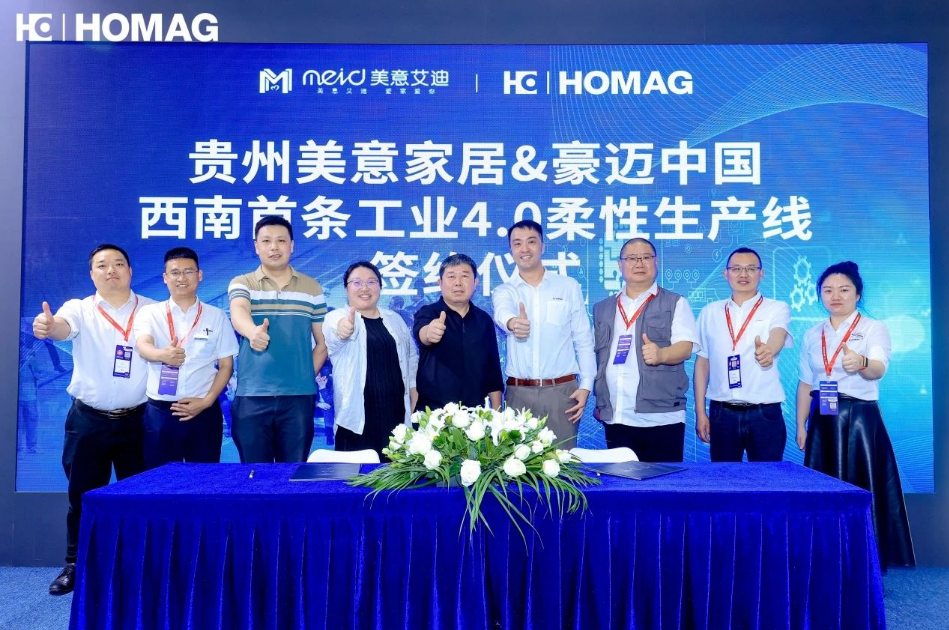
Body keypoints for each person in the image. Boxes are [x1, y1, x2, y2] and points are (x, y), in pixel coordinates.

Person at [31, 244, 155, 595]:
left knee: (139, 496)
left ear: (130, 271)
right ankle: (76, 563)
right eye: (102, 265)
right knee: (82, 497)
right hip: (88, 420)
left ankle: (139, 565)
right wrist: (49, 326)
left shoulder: (152, 310)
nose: (111, 270)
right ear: (92, 274)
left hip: (138, 420)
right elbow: (62, 328)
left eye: (118, 263)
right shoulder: (80, 308)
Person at [796, 261, 915, 568]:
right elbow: (806, 383)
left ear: (858, 294)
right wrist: (801, 424)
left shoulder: (873, 328)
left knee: (863, 489)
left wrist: (861, 362)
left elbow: (878, 369)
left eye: (844, 290)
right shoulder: (812, 333)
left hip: (860, 420)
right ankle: (825, 561)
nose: (835, 296)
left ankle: (866, 563)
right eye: (828, 290)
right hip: (822, 417)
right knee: (823, 490)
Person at [227, 216, 328, 463]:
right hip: (252, 396)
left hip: (298, 399)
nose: (274, 247)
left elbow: (322, 343)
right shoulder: (243, 282)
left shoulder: (311, 288)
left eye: (281, 241)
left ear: (291, 245)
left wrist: (305, 376)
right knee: (254, 476)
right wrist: (252, 332)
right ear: (256, 246)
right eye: (266, 241)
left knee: (292, 474)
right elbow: (238, 312)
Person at [592, 238, 698, 462]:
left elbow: (685, 347)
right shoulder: (602, 308)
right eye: (632, 258)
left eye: (646, 257)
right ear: (620, 265)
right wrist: (600, 400)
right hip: (616, 415)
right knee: (621, 482)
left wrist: (661, 355)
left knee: (663, 482)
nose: (639, 263)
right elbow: (600, 358)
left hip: (661, 416)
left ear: (656, 262)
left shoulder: (675, 302)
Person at [491, 220, 595, 449]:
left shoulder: (568, 286)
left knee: (563, 463)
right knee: (516, 465)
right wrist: (513, 323)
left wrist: (586, 385)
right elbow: (502, 313)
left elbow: (583, 339)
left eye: (531, 242)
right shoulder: (504, 290)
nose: (524, 249)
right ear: (511, 250)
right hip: (518, 394)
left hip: (562, 393)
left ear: (542, 246)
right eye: (517, 244)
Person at [134, 247, 238, 468]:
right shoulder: (150, 313)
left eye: (188, 271)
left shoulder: (216, 316)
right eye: (175, 272)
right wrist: (162, 355)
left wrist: (207, 401)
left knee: (203, 480)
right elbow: (143, 346)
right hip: (160, 413)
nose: (181, 278)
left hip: (203, 412)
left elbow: (226, 365)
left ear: (199, 275)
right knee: (160, 481)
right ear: (165, 278)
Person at [693, 247, 792, 461]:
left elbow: (778, 334)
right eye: (736, 269)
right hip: (722, 414)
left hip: (764, 413)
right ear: (725, 274)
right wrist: (700, 412)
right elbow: (702, 363)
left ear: (761, 273)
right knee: (724, 478)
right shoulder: (710, 312)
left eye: (751, 269)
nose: (743, 274)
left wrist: (769, 350)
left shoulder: (777, 308)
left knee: (767, 478)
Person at [323, 261, 418, 456]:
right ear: (346, 289)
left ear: (380, 287)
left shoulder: (395, 319)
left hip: (396, 420)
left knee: (396, 473)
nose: (364, 288)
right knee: (355, 475)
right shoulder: (336, 316)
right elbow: (337, 332)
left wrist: (414, 396)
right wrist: (344, 328)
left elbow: (411, 360)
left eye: (371, 282)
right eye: (357, 282)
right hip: (355, 423)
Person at [414, 254, 503, 411]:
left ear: (475, 282)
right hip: (433, 414)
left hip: (476, 415)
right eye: (451, 276)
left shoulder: (484, 320)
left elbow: (492, 371)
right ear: (440, 283)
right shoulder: (428, 313)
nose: (458, 282)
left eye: (464, 276)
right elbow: (423, 334)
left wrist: (497, 414)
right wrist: (429, 333)